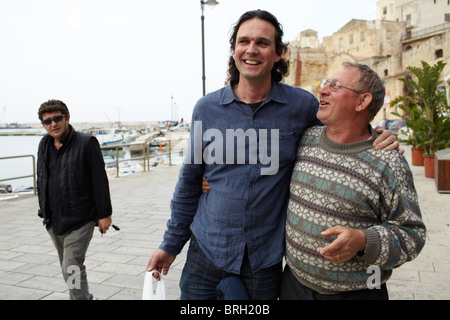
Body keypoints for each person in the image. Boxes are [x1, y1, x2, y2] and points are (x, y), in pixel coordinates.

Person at [146, 10, 398, 300]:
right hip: (205, 253)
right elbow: (189, 183)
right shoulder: (206, 108)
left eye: (262, 43)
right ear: (234, 49)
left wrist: (376, 134)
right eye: (244, 41)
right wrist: (170, 245)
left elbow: (342, 131)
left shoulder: (301, 106)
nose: (251, 49)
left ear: (278, 53)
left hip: (262, 261)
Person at [280, 62, 426, 300]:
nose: (323, 90)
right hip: (294, 285)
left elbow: (412, 235)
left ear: (362, 102)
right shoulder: (305, 139)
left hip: (358, 293)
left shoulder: (388, 162)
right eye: (326, 83)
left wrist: (362, 241)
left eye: (335, 86)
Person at [37, 99, 113, 300]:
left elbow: (99, 180)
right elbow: (42, 177)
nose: (53, 124)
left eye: (57, 118)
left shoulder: (86, 143)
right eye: (47, 121)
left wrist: (104, 214)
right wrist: (43, 210)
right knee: (67, 267)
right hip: (54, 220)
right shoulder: (44, 144)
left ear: (67, 118)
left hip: (81, 218)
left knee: (71, 266)